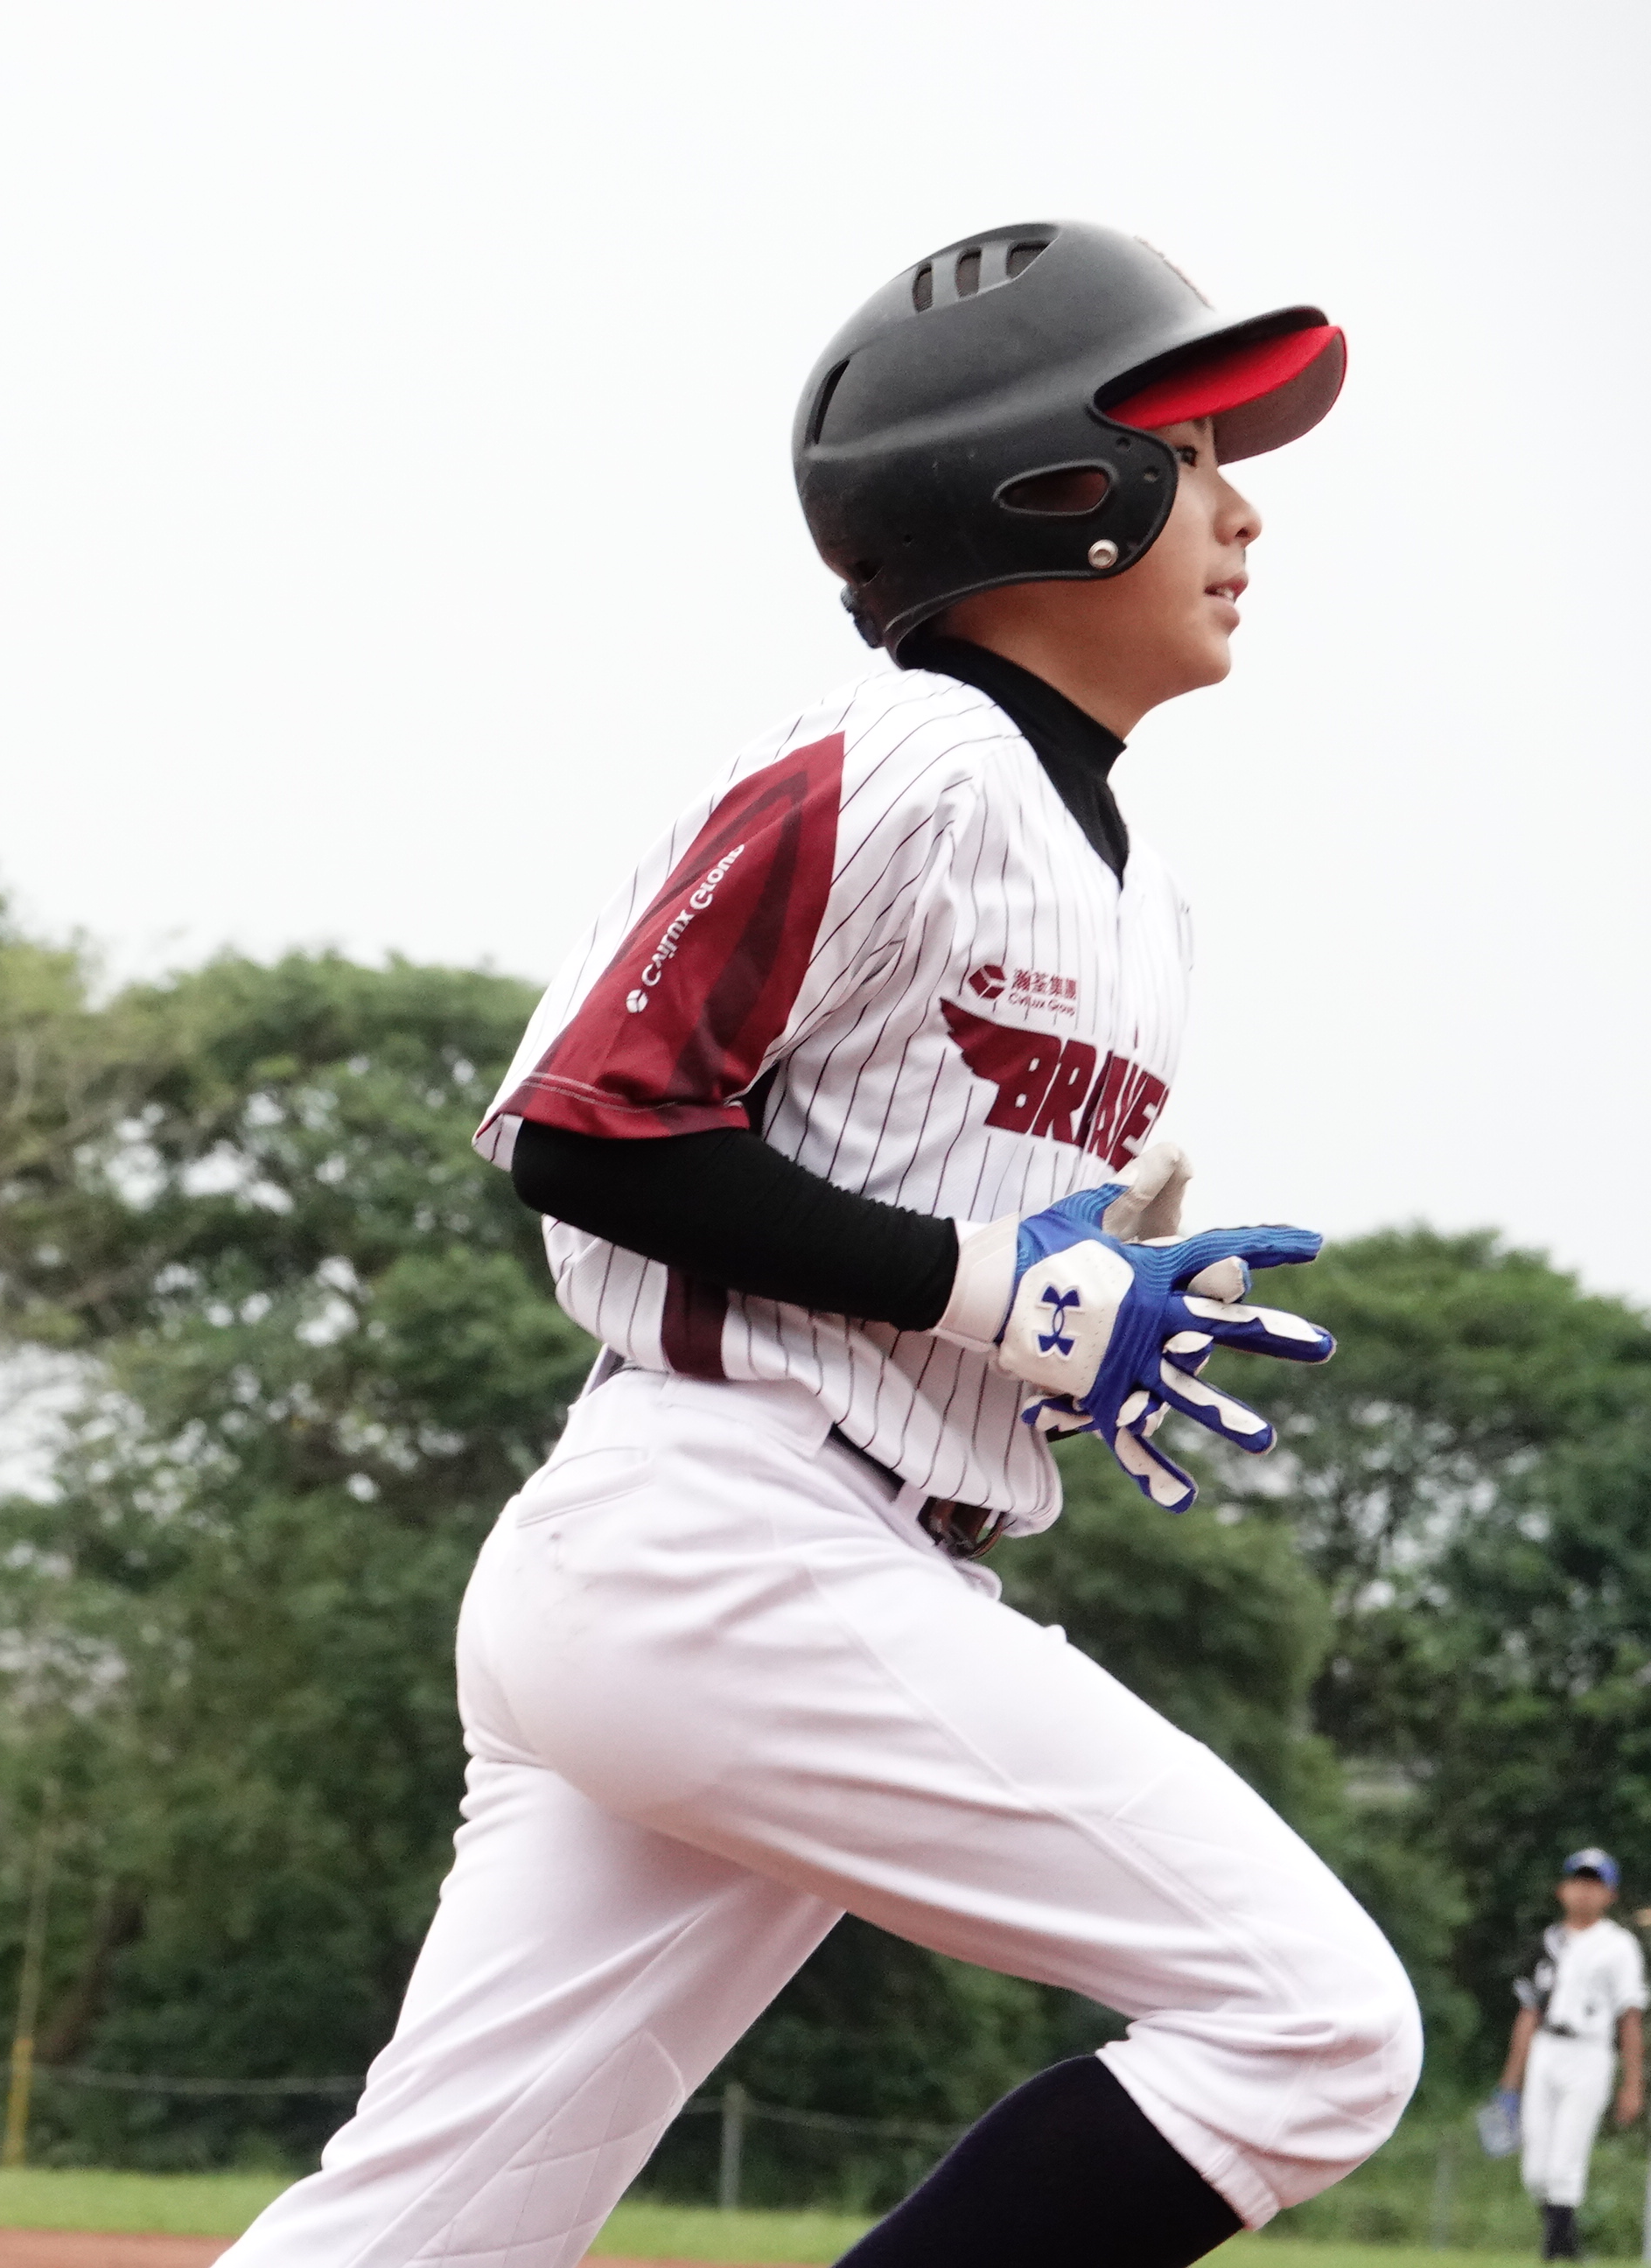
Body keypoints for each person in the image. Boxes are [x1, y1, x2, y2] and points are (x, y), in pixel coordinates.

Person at [209, 220, 1418, 2268]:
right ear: (1052, 485)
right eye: (1195, 455)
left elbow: (913, 1240)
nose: (1243, 511)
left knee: (424, 2234)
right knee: (1311, 2030)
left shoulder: (1144, 900)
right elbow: (584, 1128)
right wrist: (997, 1288)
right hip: (729, 1532)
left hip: (783, 1557)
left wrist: (1073, 1326)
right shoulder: (901, 755)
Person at [1501, 1849, 1647, 2259]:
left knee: (1566, 2159)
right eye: (1579, 1882)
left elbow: (1630, 2018)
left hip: (1590, 2051)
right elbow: (1529, 2012)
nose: (1585, 1891)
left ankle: (1554, 2252)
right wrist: (1510, 2080)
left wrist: (1632, 2083)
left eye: (1595, 1884)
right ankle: (1569, 2248)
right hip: (1546, 2048)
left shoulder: (1618, 1946)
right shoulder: (1548, 1942)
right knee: (1536, 2169)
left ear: (1610, 1894)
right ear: (1562, 1889)